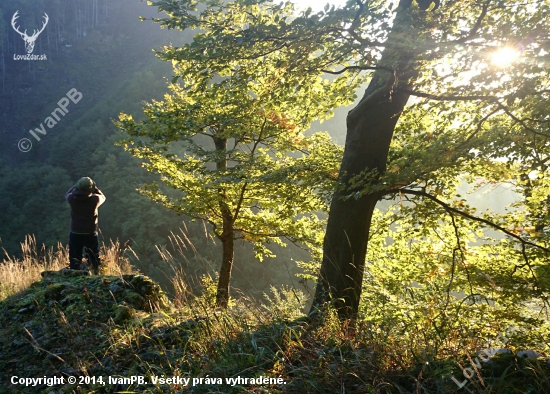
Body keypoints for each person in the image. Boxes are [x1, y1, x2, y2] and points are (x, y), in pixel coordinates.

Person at [65, 177, 106, 274]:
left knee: (75, 257)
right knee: (93, 256)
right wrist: (95, 188)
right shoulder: (95, 200)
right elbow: (103, 197)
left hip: (75, 231)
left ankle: (74, 276)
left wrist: (74, 187)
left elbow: (67, 194)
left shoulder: (72, 198)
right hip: (90, 232)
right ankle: (95, 274)